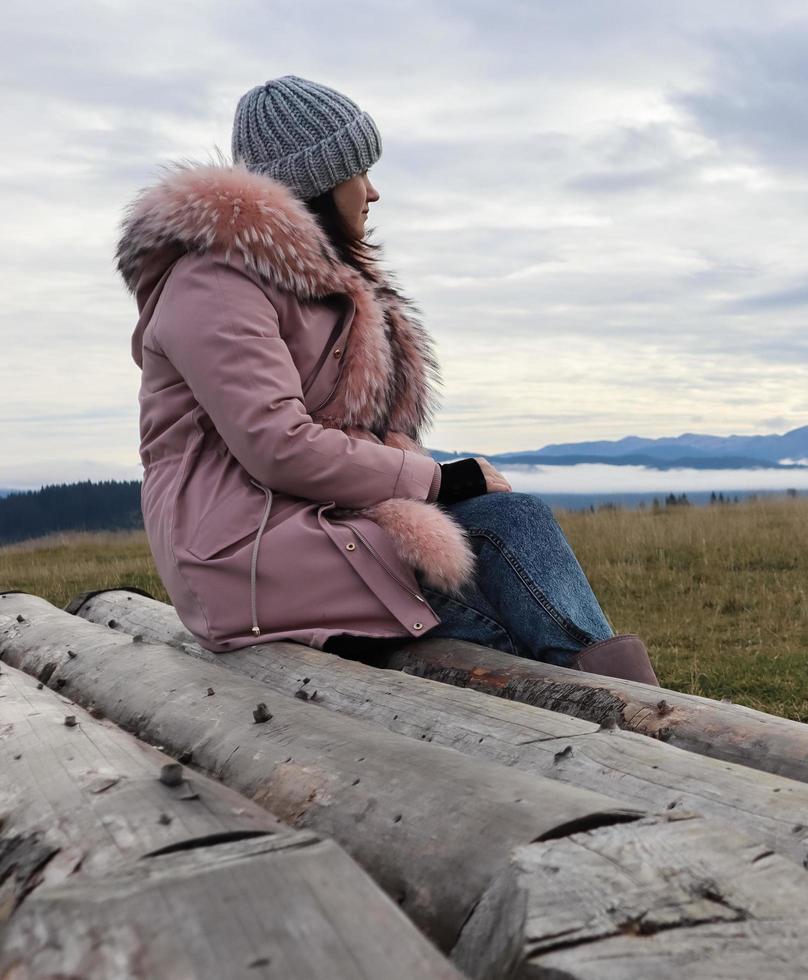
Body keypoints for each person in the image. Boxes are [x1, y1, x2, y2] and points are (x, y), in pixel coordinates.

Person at [117, 75, 657, 684]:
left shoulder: (300, 285)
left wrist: (438, 488)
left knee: (510, 541)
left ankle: (634, 720)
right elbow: (279, 445)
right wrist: (439, 480)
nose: (372, 193)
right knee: (508, 593)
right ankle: (643, 725)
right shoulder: (216, 284)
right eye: (360, 172)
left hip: (305, 529)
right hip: (243, 553)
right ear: (320, 182)